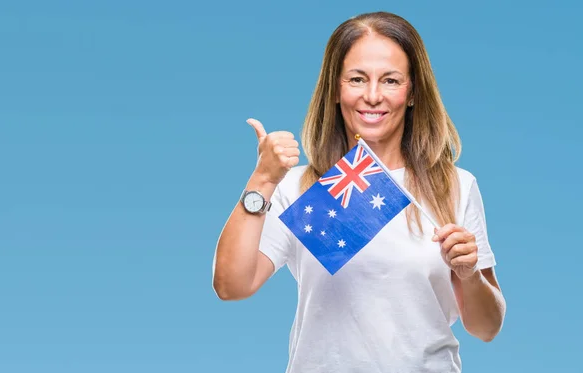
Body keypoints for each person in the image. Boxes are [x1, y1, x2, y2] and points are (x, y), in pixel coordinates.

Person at [212, 11, 506, 373]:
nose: (372, 96)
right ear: (336, 89)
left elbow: (486, 327)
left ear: (412, 92)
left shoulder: (455, 186)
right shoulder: (306, 187)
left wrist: (468, 274)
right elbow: (231, 285)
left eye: (391, 81)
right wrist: (262, 180)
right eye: (357, 79)